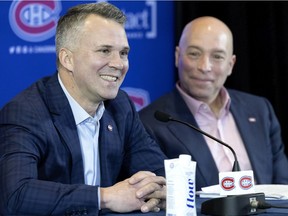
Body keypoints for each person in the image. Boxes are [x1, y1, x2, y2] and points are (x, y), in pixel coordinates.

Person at [0, 2, 167, 215]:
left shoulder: (120, 106)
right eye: (105, 51)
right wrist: (105, 197)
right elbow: (16, 194)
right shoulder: (25, 113)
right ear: (67, 59)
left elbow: (160, 172)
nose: (119, 64)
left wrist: (159, 189)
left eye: (123, 53)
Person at [139, 16, 288, 191]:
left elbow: (282, 186)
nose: (204, 66)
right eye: (194, 54)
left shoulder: (260, 110)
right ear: (178, 56)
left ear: (231, 65)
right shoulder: (151, 123)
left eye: (217, 56)